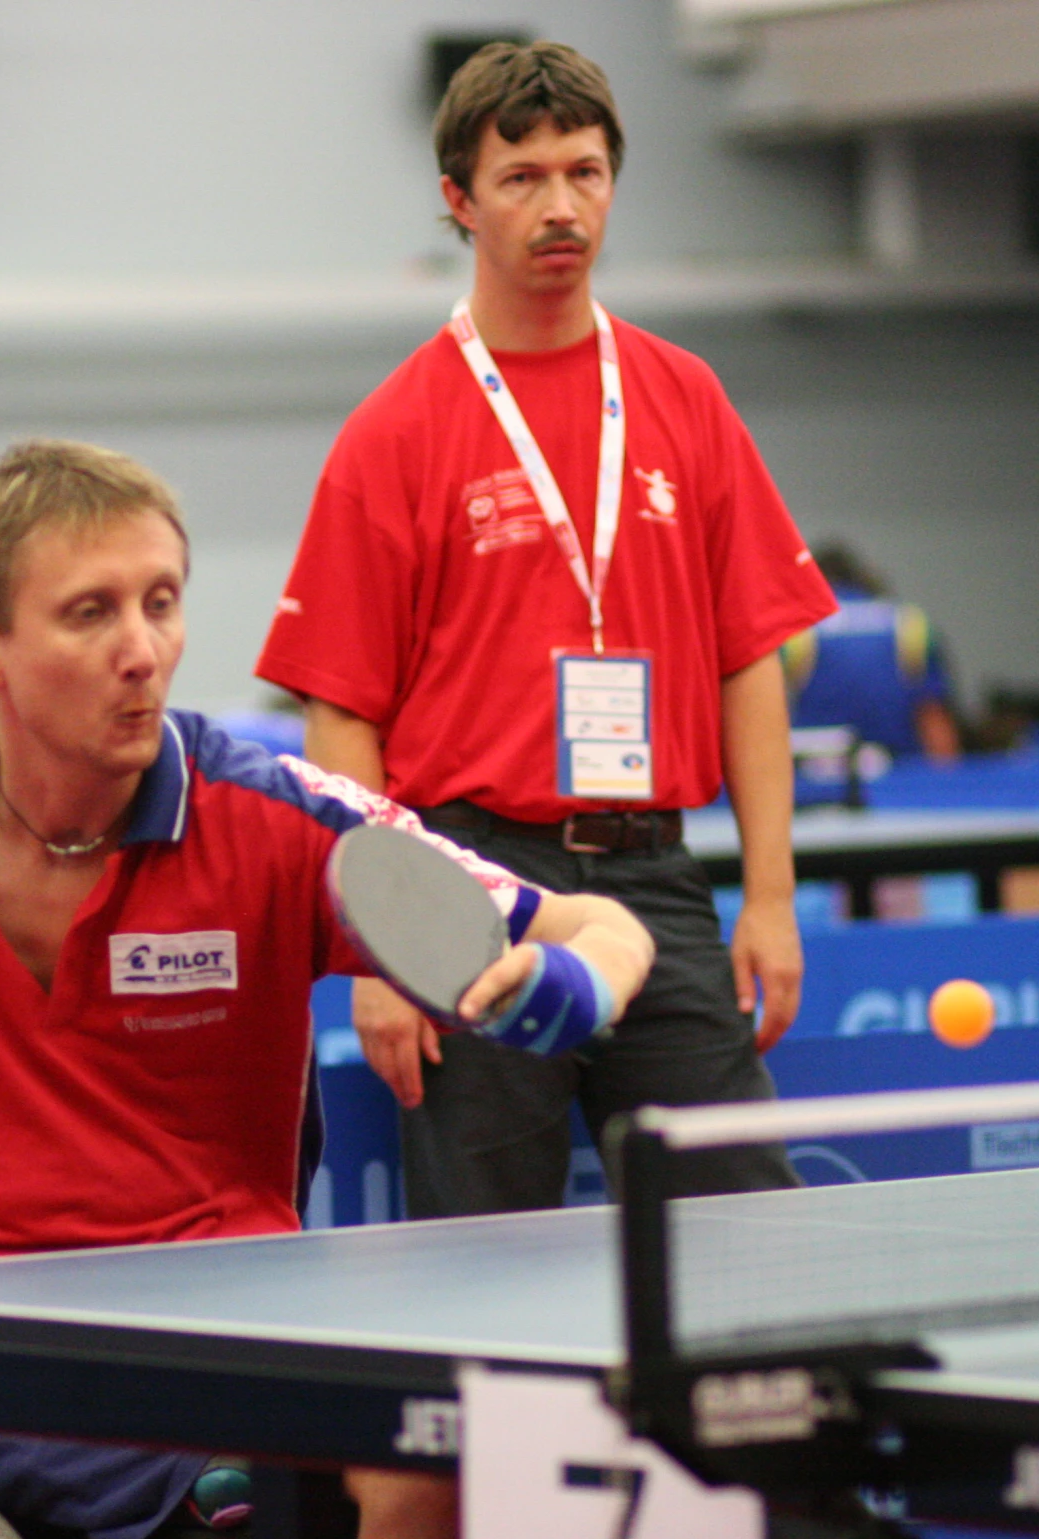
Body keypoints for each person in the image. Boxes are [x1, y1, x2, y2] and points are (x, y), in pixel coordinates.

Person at [0, 438, 652, 1539]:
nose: (142, 651)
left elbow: (606, 928)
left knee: (428, 1453)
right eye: (89, 613)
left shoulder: (273, 816)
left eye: (161, 603)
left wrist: (572, 983)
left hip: (217, 1351)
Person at [255, 41, 836, 1212]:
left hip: (655, 879)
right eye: (521, 178)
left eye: (585, 171)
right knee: (486, 1256)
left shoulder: (686, 399)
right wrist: (382, 946)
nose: (560, 205)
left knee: (746, 1232)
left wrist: (769, 898)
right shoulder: (395, 431)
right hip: (471, 882)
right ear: (458, 202)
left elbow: (749, 662)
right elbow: (343, 713)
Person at [781, 542, 962, 763]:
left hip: (818, 774)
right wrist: (945, 785)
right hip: (898, 776)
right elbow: (932, 715)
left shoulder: (797, 626)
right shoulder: (907, 621)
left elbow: (764, 714)